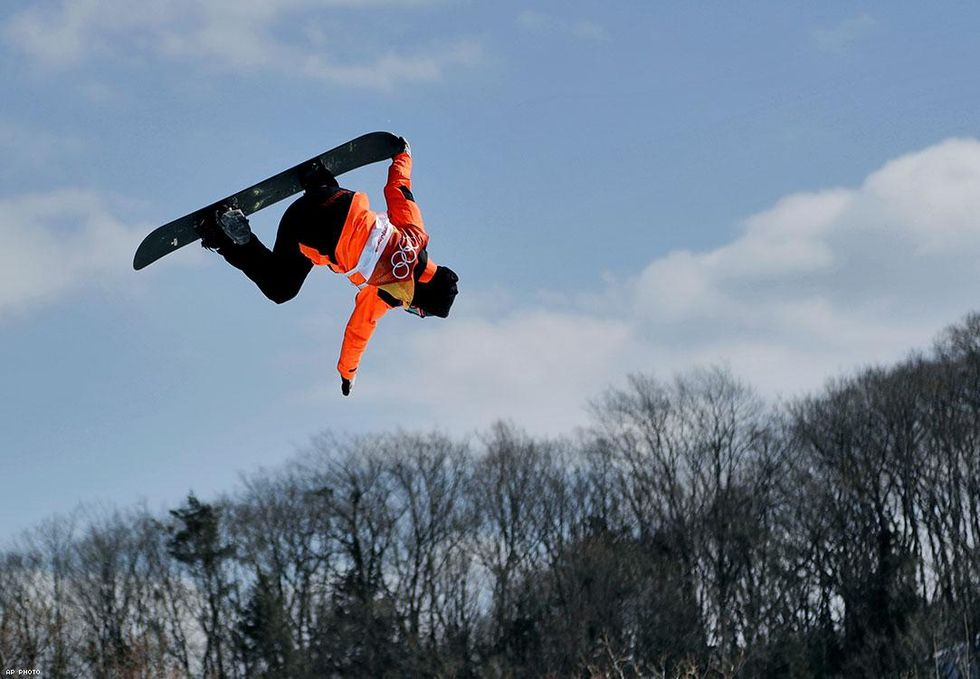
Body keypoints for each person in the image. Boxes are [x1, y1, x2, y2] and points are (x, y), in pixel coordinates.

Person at [198, 137, 459, 396]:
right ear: (423, 296)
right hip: (304, 228)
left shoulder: (417, 234)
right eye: (416, 311)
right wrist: (348, 373)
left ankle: (316, 177)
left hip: (334, 198)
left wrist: (403, 156)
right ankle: (227, 237)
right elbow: (358, 332)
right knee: (280, 288)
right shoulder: (389, 293)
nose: (409, 308)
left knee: (342, 213)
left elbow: (399, 189)